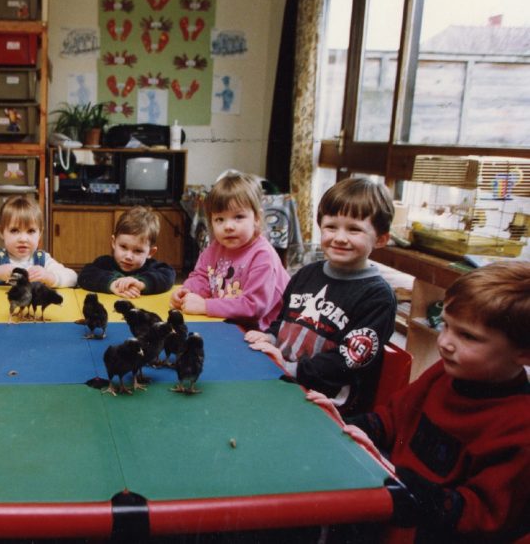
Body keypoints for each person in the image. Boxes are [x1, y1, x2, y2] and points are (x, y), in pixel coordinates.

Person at [310, 261, 530, 542]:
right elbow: (391, 419)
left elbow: (479, 516)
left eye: (468, 336)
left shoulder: (519, 428)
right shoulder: (443, 373)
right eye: (446, 326)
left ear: (524, 353)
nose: (445, 343)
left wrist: (401, 484)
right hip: (387, 506)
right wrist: (337, 427)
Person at [246, 177, 396, 416]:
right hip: (281, 378)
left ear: (380, 239)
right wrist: (271, 338)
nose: (339, 237)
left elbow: (347, 361)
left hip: (325, 401)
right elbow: (284, 320)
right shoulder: (305, 274)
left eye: (354, 229)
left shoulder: (378, 298)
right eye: (331, 227)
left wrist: (290, 368)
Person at [170, 170, 289, 330]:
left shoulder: (263, 255)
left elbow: (253, 307)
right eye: (220, 219)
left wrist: (205, 306)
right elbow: (202, 277)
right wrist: (187, 291)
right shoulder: (215, 248)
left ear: (257, 218)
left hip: (264, 331)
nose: (228, 226)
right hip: (227, 322)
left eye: (238, 217)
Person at [0, 195, 77, 289]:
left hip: (32, 319)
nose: (23, 239)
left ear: (40, 234)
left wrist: (49, 277)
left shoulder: (42, 259)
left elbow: (73, 277)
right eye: (14, 231)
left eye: (31, 231)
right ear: (1, 231)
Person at [77, 206, 176, 298]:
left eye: (138, 251)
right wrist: (112, 284)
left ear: (150, 252)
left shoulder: (154, 267)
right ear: (114, 242)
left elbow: (168, 276)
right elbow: (85, 275)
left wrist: (141, 284)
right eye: (123, 247)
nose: (128, 256)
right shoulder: (104, 263)